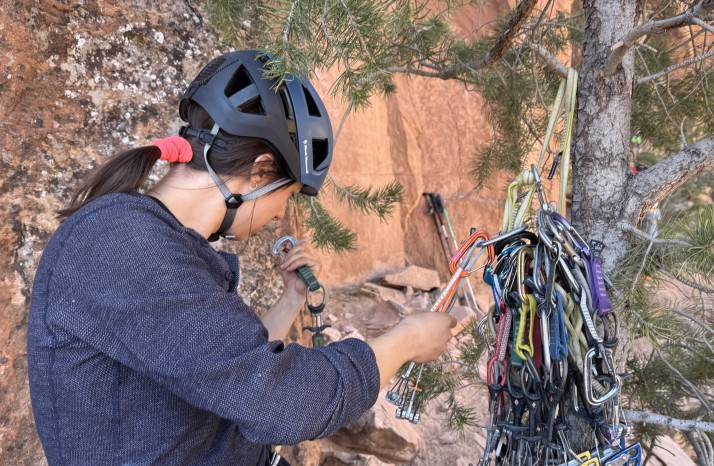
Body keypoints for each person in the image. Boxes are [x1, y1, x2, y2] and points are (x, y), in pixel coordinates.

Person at [27, 49, 456, 465]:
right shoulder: (125, 247)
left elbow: (228, 371)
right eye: (286, 195)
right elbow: (281, 402)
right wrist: (407, 341)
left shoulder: (149, 241)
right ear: (259, 172)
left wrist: (292, 297)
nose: (280, 214)